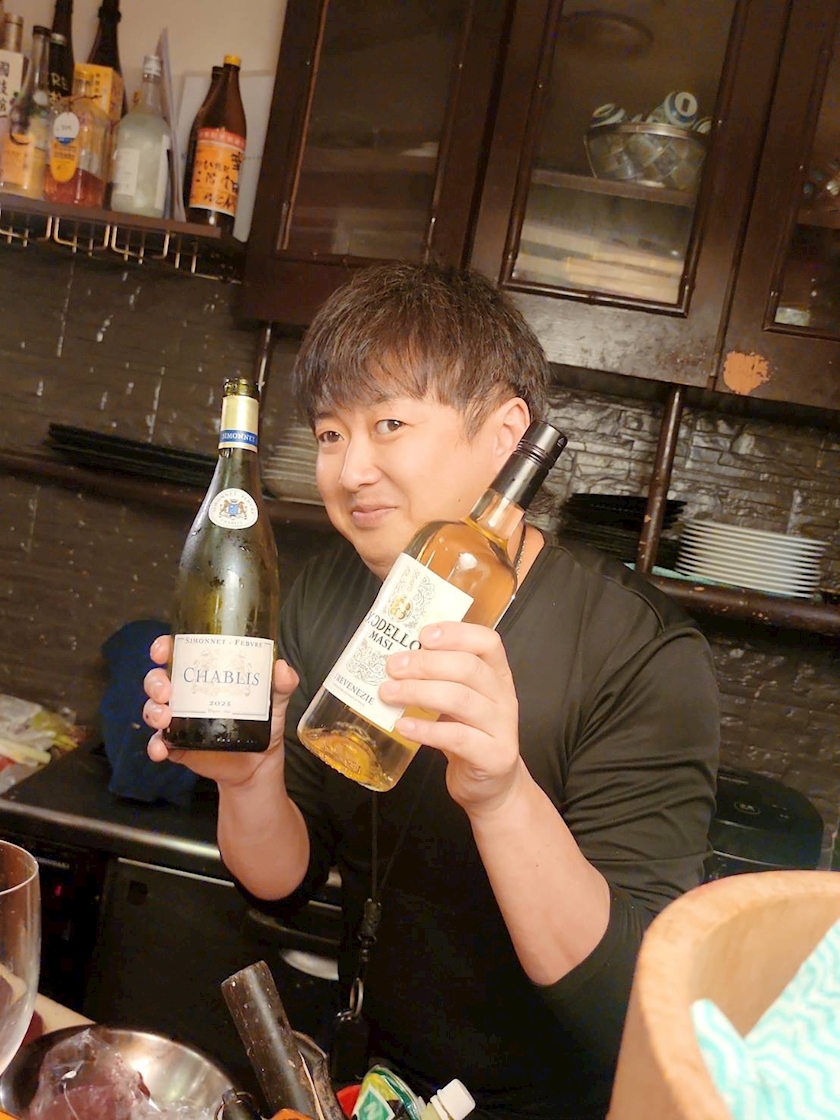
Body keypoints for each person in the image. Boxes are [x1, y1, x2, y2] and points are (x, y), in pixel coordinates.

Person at [144, 262, 719, 1120]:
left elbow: (628, 996)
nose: (351, 471)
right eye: (331, 433)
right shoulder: (328, 593)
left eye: (389, 424)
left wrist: (501, 794)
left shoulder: (639, 650)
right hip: (373, 1081)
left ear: (505, 435)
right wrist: (250, 778)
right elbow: (282, 881)